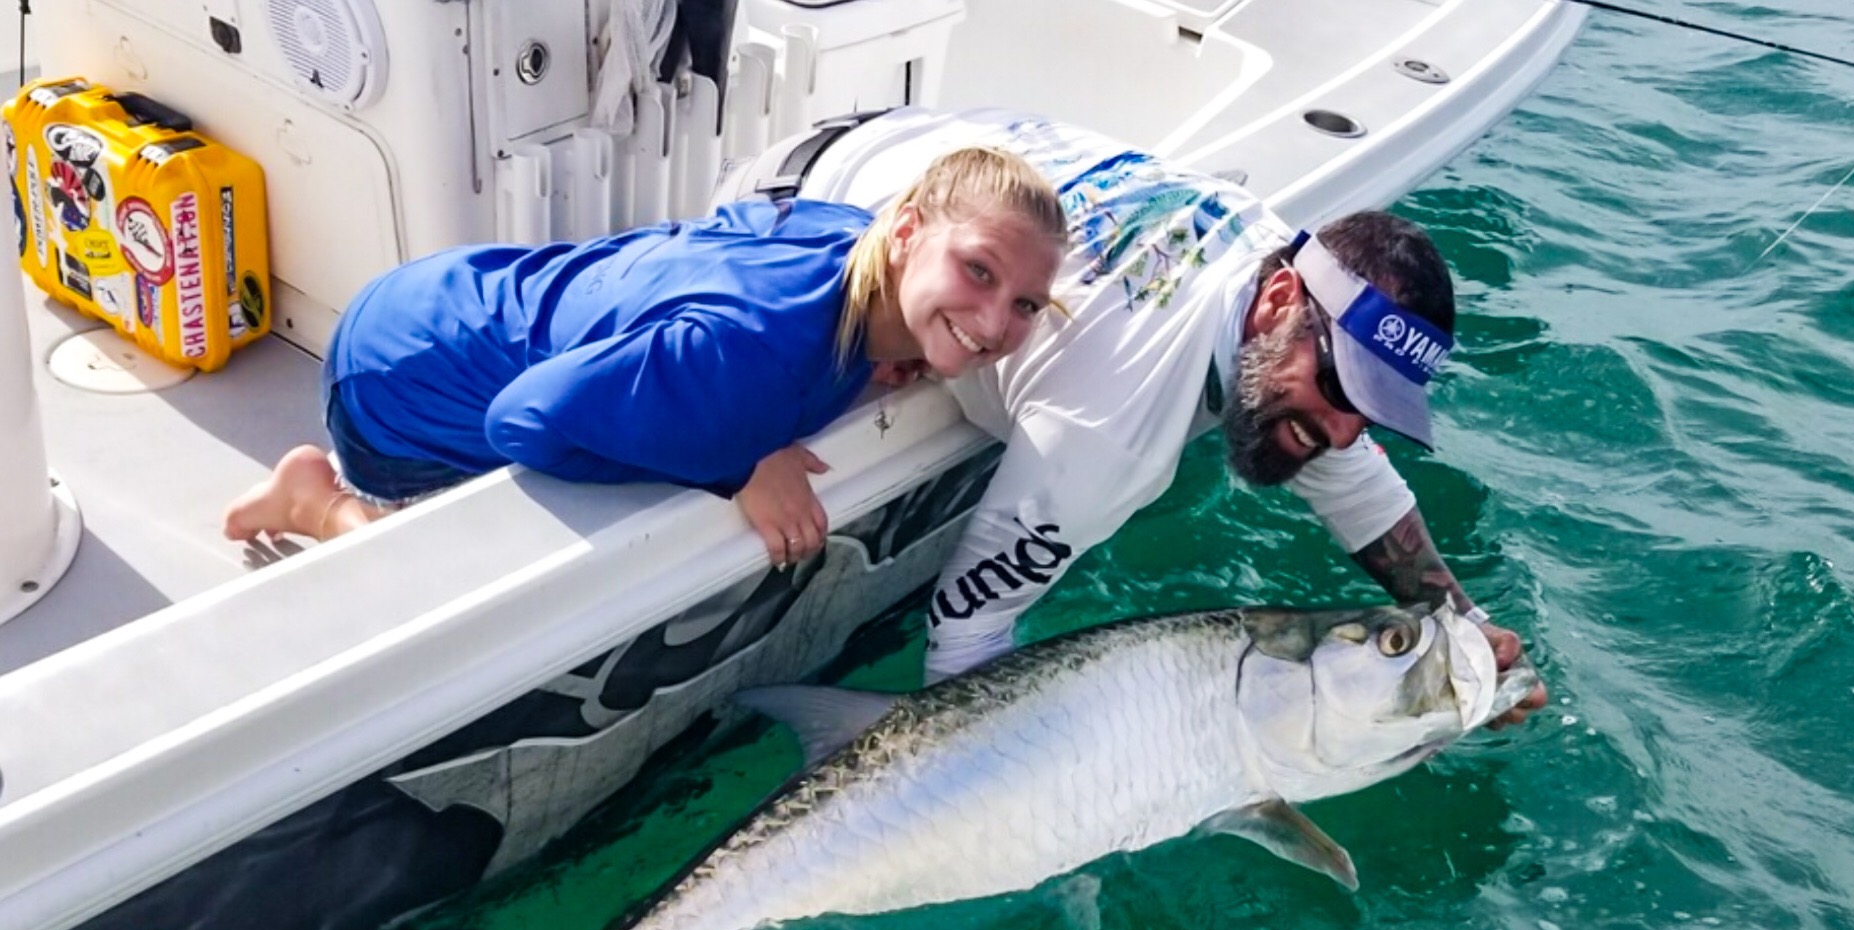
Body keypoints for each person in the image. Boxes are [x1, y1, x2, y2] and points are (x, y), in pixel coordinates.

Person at [720, 107, 1547, 725]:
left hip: (899, 130)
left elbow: (1353, 478)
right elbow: (966, 628)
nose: (1341, 432)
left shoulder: (1271, 268)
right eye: (1341, 390)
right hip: (782, 217)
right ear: (1283, 297)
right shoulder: (1109, 426)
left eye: (1373, 414)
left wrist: (1464, 630)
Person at [222, 145, 1068, 569]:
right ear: (911, 235)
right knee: (424, 585)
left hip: (459, 291)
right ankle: (319, 502)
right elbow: (520, 419)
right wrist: (733, 468)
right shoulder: (750, 353)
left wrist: (908, 349)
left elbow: (733, 232)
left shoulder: (852, 243)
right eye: (978, 271)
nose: (996, 320)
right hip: (394, 378)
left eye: (1025, 303)